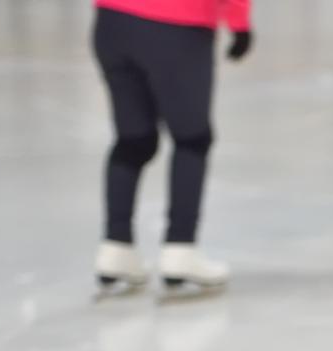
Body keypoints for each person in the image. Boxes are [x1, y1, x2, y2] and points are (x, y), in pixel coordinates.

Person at [90, 0, 252, 291]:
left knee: (133, 140)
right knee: (192, 138)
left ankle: (116, 245)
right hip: (178, 26)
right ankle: (180, 246)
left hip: (113, 22)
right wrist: (239, 22)